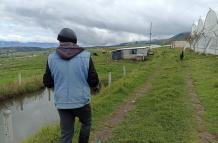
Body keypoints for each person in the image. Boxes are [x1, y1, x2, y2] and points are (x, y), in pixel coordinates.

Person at [43, 28, 100, 143]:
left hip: (62, 102)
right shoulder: (86, 56)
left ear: (60, 41)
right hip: (82, 101)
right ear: (74, 41)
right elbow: (93, 81)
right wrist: (94, 87)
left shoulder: (51, 58)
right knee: (86, 123)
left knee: (66, 133)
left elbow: (47, 83)